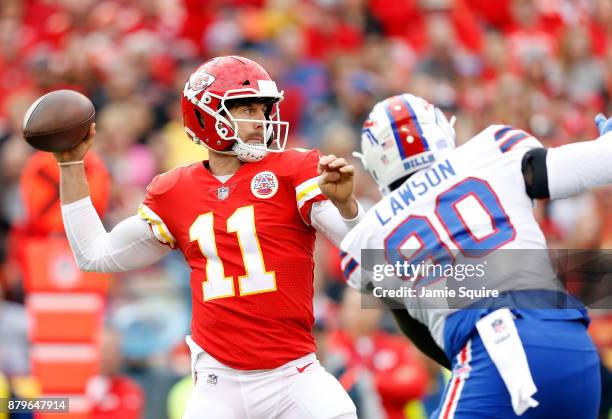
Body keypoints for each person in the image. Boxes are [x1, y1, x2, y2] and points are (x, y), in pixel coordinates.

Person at [54, 56, 359, 419]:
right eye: (248, 109)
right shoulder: (174, 191)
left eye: (264, 109)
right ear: (206, 115)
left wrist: (348, 207)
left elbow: (366, 251)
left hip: (292, 376)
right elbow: (94, 255)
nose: (261, 121)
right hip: (218, 387)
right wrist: (70, 165)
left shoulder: (294, 170)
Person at [340, 92, 611, 418]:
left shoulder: (369, 235)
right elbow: (594, 166)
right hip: (573, 345)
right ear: (441, 129)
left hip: (498, 351)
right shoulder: (494, 149)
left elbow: (428, 339)